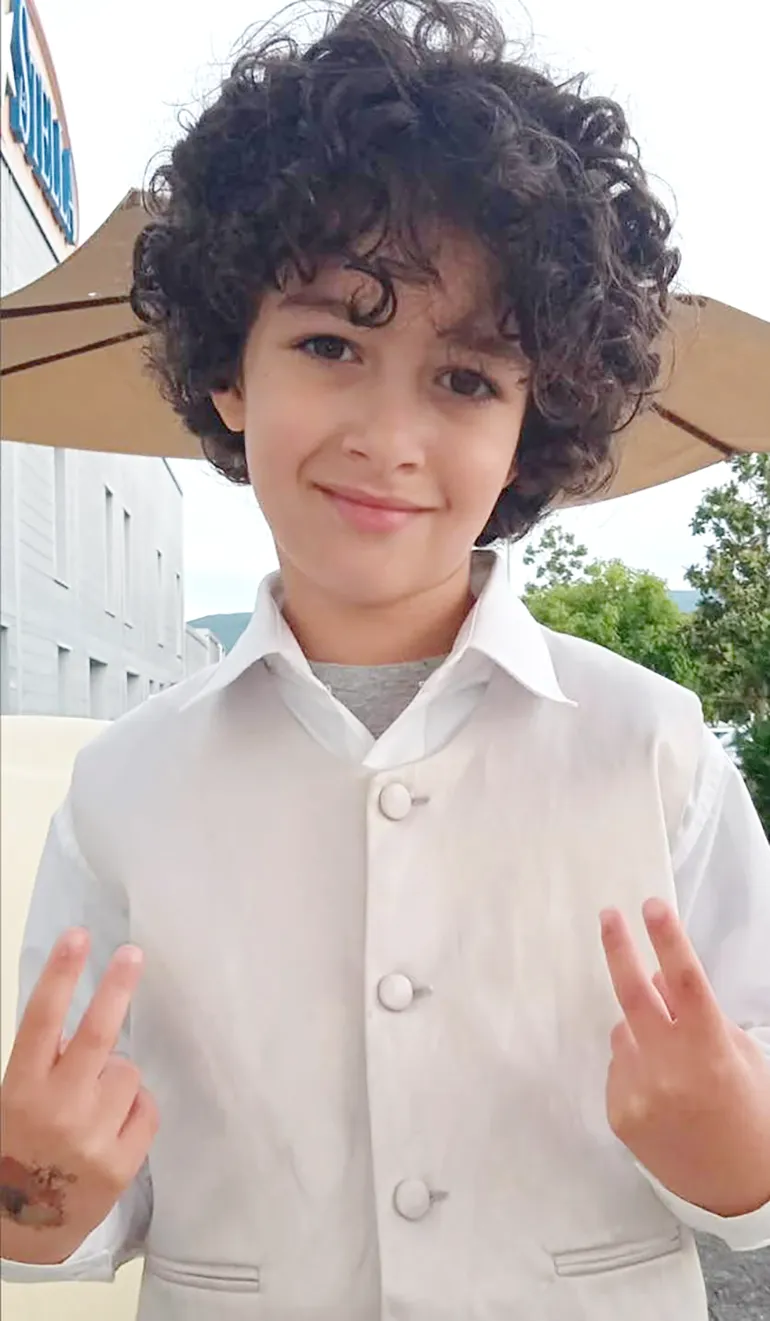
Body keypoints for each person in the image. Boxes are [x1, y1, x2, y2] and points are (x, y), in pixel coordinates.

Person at [1, 1, 769, 1317]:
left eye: (466, 379)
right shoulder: (124, 785)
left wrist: (732, 1151)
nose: (386, 435)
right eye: (328, 345)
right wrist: (34, 1176)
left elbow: (750, 1127)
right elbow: (67, 1207)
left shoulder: (651, 745)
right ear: (228, 373)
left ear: (533, 426)